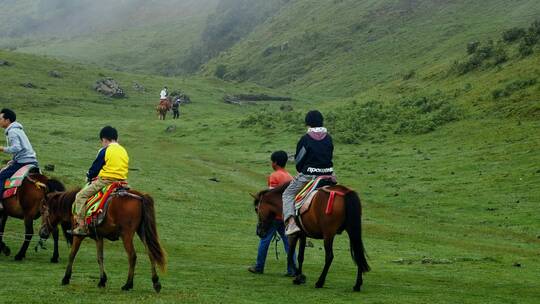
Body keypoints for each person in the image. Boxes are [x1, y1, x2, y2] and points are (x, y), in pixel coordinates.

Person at [69, 126, 129, 236]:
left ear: (104, 139)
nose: (102, 143)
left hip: (106, 181)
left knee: (80, 196)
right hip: (123, 182)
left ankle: (81, 226)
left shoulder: (105, 150)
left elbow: (95, 169)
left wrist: (89, 176)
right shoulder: (123, 150)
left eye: (102, 141)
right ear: (116, 138)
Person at [282, 110, 334, 235]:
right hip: (328, 175)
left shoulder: (305, 139)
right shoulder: (328, 138)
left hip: (310, 176)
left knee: (287, 194)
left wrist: (302, 170)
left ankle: (291, 223)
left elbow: (299, 161)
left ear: (308, 123)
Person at [249, 151, 295, 275]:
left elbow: (271, 197)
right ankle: (292, 269)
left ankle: (259, 267)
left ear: (274, 163)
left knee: (265, 239)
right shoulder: (290, 177)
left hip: (274, 215)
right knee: (288, 242)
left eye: (271, 161)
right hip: (285, 214)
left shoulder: (274, 176)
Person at [0, 109, 39, 212]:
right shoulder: (18, 129)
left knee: (1, 176)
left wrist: (2, 148)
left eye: (0, 119)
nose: (0, 121)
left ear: (7, 120)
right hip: (32, 161)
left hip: (23, 162)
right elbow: (22, 149)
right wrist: (13, 160)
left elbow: (17, 148)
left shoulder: (12, 131)